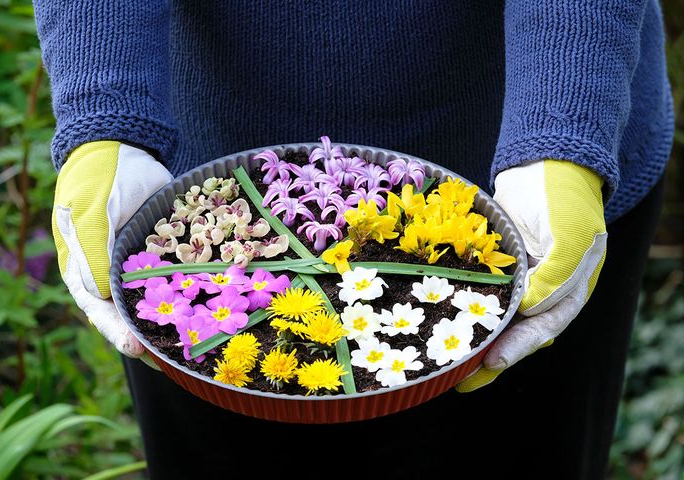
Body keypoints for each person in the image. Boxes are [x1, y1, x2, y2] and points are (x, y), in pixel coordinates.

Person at [33, 2, 672, 478]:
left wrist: (563, 133)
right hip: (209, 216)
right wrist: (104, 110)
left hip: (532, 183)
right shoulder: (195, 235)